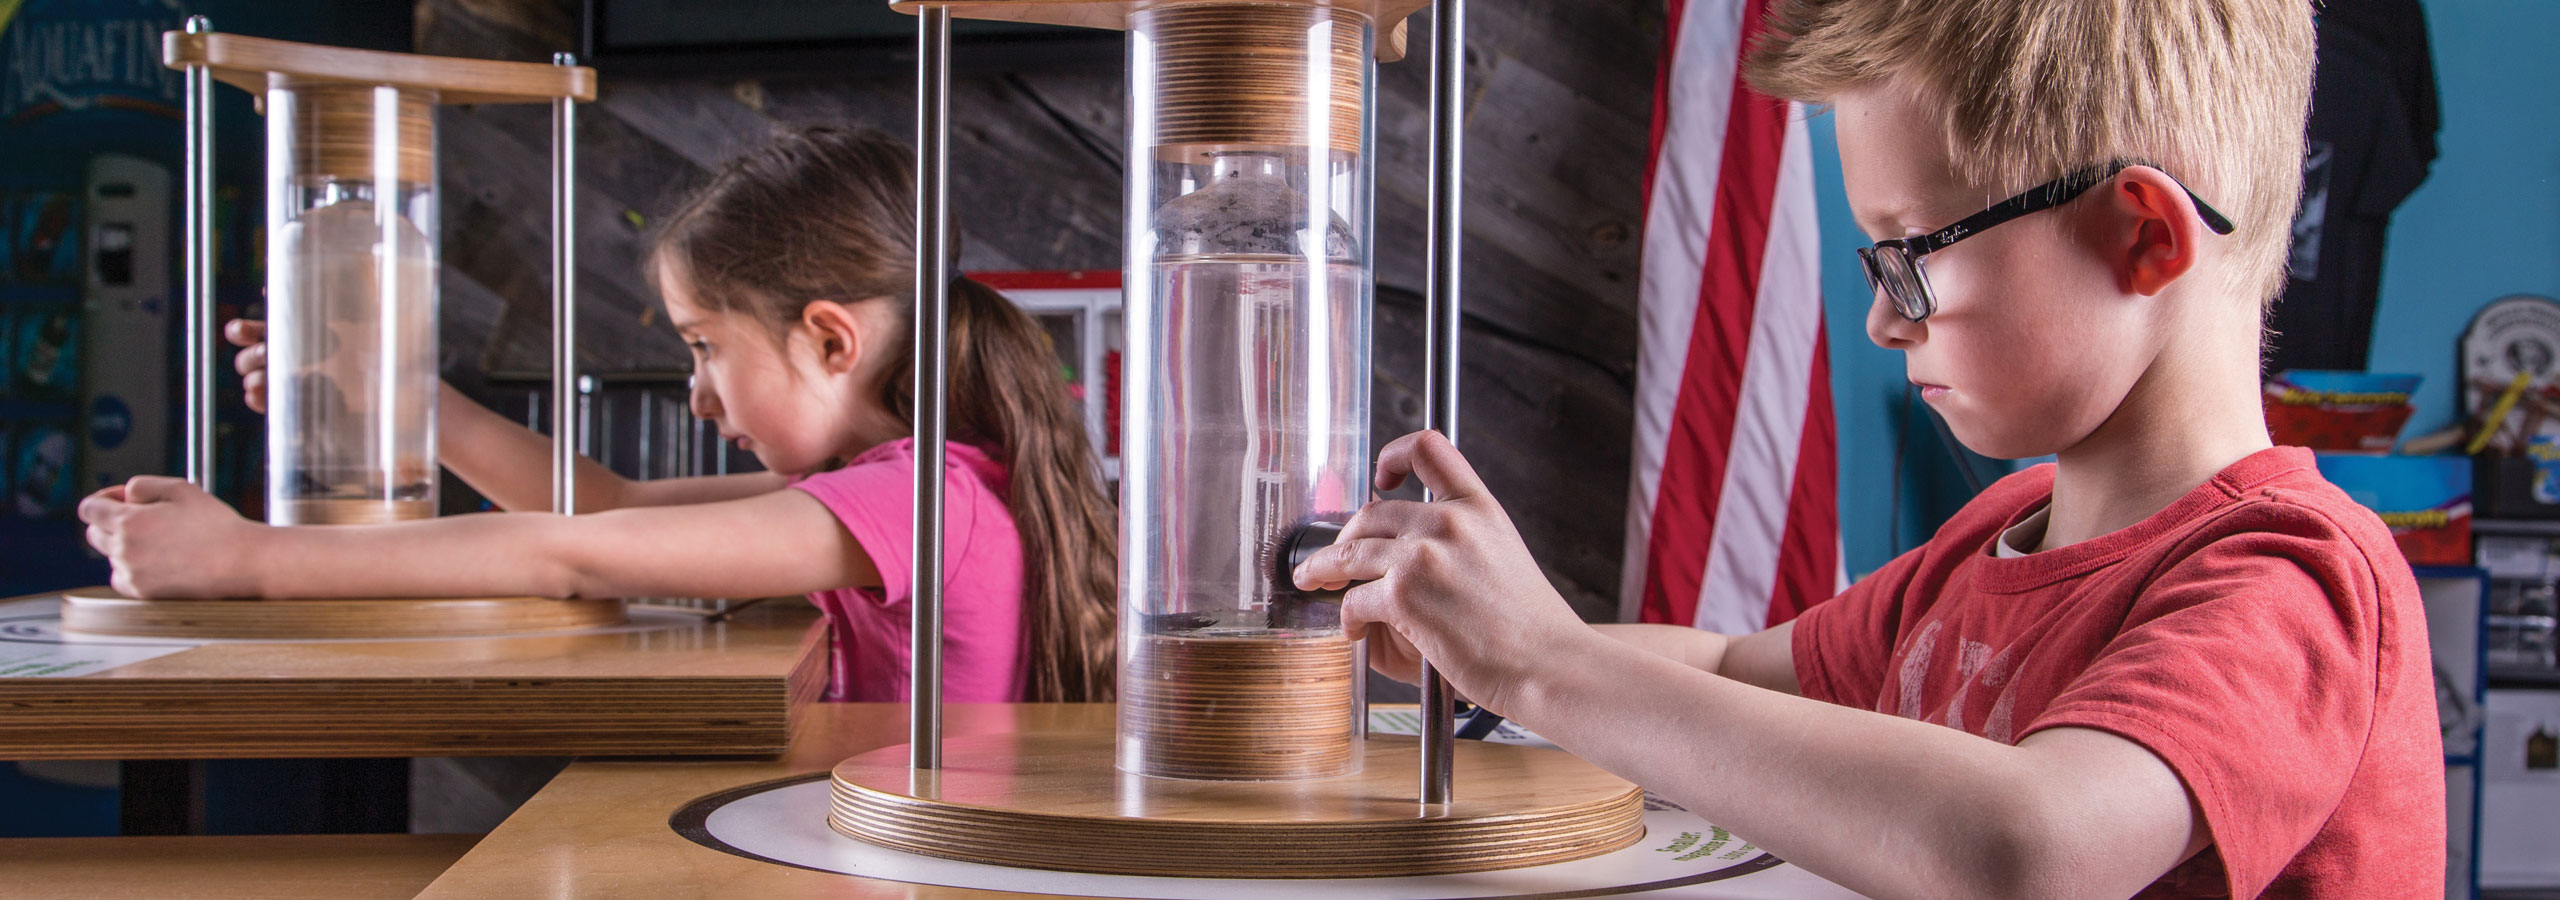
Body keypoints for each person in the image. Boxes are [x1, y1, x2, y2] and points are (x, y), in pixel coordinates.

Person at [1296, 2, 2441, 897]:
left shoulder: (2289, 582)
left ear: (2141, 236)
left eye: (1910, 254)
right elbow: (1730, 670)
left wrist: (1546, 664)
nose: (1883, 322)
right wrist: (1481, 642)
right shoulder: (1998, 538)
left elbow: (2027, 850)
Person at [79, 126, 1117, 704]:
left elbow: (575, 555)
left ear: (831, 340)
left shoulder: (911, 500)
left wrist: (244, 560)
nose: (698, 392)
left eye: (706, 344)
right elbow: (613, 504)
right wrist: (403, 404)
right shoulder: (920, 482)